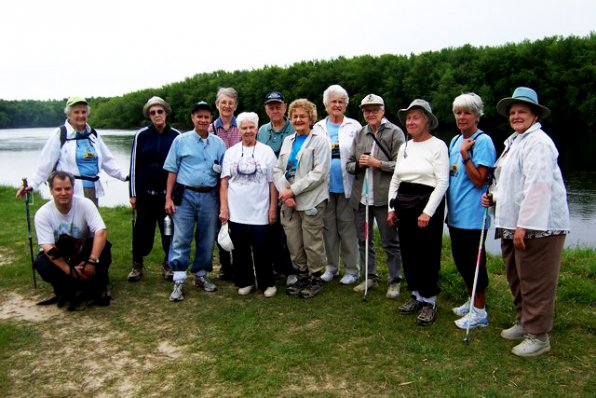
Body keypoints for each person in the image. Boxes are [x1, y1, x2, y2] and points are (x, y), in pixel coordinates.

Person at [482, 87, 569, 357]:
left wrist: (525, 225)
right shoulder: (514, 142)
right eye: (512, 112)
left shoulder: (538, 142)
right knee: (517, 278)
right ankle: (524, 321)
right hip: (510, 223)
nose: (516, 116)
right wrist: (494, 196)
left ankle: (538, 335)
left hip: (537, 228)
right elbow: (510, 182)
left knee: (536, 280)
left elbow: (538, 186)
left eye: (522, 111)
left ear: (535, 115)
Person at [387, 99, 449, 326]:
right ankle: (415, 295)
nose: (410, 122)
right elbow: (396, 179)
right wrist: (391, 208)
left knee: (427, 253)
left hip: (426, 202)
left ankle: (429, 301)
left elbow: (442, 182)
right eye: (408, 118)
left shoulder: (438, 146)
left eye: (416, 117)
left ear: (427, 121)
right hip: (404, 201)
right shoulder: (405, 146)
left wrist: (428, 212)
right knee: (409, 251)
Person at [164, 101, 226, 302]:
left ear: (211, 119)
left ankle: (200, 274)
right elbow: (172, 170)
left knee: (207, 238)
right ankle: (179, 278)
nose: (203, 120)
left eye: (206, 116)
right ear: (192, 118)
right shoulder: (180, 141)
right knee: (181, 237)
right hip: (185, 195)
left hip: (210, 195)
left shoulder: (218, 143)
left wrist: (223, 202)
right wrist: (168, 198)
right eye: (199, 116)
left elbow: (222, 175)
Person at [16, 96, 127, 206]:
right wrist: (32, 185)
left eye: (84, 112)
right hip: (69, 192)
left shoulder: (93, 134)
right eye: (76, 112)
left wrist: (125, 176)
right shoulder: (60, 134)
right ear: (68, 114)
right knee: (71, 223)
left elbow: (107, 161)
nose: (81, 115)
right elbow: (46, 164)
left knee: (92, 222)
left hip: (93, 190)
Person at [346, 94, 405, 298]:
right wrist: (359, 164)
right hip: (361, 198)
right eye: (366, 110)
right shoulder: (360, 133)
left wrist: (377, 164)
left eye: (374, 109)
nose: (370, 114)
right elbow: (349, 165)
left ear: (382, 110)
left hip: (383, 197)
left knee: (390, 241)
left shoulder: (395, 132)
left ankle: (394, 280)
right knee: (364, 240)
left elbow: (402, 166)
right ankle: (369, 277)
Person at [446, 93, 497, 330]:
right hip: (456, 215)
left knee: (474, 264)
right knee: (462, 261)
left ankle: (480, 311)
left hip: (474, 217)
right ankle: (471, 302)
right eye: (458, 112)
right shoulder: (455, 140)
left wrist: (466, 156)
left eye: (467, 112)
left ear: (477, 115)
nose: (462, 117)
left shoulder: (482, 141)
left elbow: (479, 180)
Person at [273, 98, 330, 299]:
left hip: (311, 200)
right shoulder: (288, 140)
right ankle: (302, 275)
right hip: (289, 201)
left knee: (311, 242)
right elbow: (277, 169)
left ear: (310, 118)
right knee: (294, 242)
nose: (298, 119)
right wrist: (285, 193)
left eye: (302, 116)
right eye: (294, 116)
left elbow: (319, 174)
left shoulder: (321, 141)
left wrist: (292, 191)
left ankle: (316, 278)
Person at [33, 171, 111, 311]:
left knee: (104, 247)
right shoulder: (42, 214)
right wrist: (69, 270)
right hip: (60, 255)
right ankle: (67, 287)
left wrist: (92, 261)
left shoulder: (85, 204)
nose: (63, 193)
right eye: (58, 189)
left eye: (67, 188)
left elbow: (101, 231)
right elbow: (47, 247)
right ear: (51, 190)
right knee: (42, 263)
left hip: (82, 252)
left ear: (73, 189)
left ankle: (98, 286)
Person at [220, 112, 278, 297]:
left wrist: (272, 208)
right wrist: (224, 207)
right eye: (244, 128)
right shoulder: (231, 152)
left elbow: (272, 183)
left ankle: (267, 283)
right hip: (237, 211)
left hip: (260, 210)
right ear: (239, 129)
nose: (248, 131)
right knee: (240, 249)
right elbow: (224, 182)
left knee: (262, 248)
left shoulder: (266, 151)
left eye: (251, 127)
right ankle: (245, 281)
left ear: (256, 128)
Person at [313, 84, 362, 285]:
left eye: (341, 101)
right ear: (326, 105)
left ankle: (352, 269)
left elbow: (361, 154)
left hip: (347, 187)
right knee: (328, 230)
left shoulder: (354, 126)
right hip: (324, 188)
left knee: (347, 228)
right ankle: (331, 267)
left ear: (346, 105)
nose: (337, 105)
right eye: (333, 101)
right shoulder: (317, 127)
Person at [127, 96, 180, 282]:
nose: (157, 115)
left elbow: (179, 167)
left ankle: (168, 264)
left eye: (160, 111)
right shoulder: (141, 135)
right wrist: (132, 193)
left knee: (168, 231)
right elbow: (133, 166)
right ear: (149, 115)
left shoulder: (176, 136)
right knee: (141, 231)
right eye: (152, 112)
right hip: (144, 195)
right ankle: (137, 265)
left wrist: (175, 195)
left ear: (166, 113)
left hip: (166, 195)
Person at [257, 91, 297, 284]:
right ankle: (277, 267)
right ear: (266, 109)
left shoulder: (294, 127)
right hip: (268, 189)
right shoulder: (262, 131)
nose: (275, 109)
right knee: (272, 229)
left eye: (278, 106)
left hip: (291, 187)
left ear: (285, 106)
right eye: (270, 106)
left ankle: (293, 270)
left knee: (290, 232)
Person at [209, 87, 241, 281]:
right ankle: (224, 265)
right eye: (223, 102)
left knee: (237, 223)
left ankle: (238, 263)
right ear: (217, 105)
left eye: (231, 102)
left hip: (239, 184)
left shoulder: (243, 126)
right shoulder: (211, 128)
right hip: (216, 184)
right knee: (220, 222)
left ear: (235, 105)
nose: (227, 106)